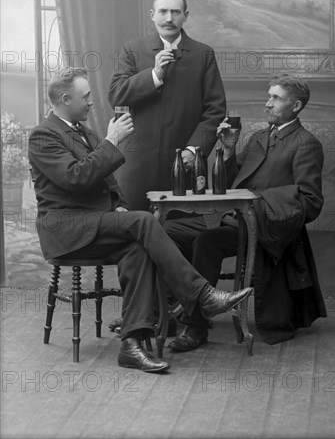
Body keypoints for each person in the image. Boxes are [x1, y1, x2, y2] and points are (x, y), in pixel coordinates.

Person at [28, 67, 251, 373]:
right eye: (86, 96)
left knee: (136, 250)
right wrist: (111, 142)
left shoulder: (85, 132)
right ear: (65, 99)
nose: (92, 102)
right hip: (66, 230)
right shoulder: (43, 136)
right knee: (145, 222)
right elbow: (75, 179)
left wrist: (118, 205)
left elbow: (108, 181)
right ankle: (202, 295)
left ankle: (131, 345)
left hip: (94, 224)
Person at [164, 74, 327, 351]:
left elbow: (310, 201)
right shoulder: (257, 138)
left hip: (266, 228)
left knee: (206, 242)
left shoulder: (306, 143)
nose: (267, 104)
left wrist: (256, 202)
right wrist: (227, 151)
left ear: (296, 106)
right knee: (165, 230)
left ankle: (196, 326)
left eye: (275, 98)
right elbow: (227, 186)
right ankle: (166, 309)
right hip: (234, 221)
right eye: (268, 96)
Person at [108, 0, 226, 211]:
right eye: (162, 11)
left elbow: (215, 111)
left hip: (185, 168)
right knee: (133, 234)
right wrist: (153, 75)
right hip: (136, 167)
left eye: (175, 12)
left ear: (186, 15)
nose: (169, 19)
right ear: (152, 14)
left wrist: (194, 151)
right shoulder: (132, 50)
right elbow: (116, 95)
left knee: (181, 236)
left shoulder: (203, 55)